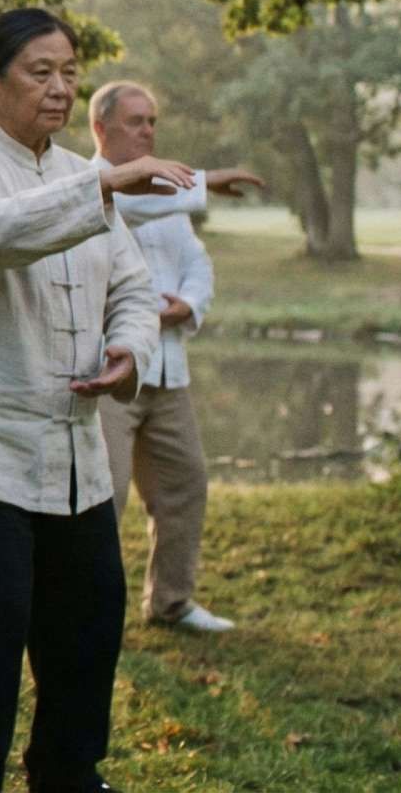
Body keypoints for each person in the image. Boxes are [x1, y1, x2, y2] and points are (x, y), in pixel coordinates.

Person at [0, 8, 180, 793]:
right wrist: (104, 182)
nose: (61, 88)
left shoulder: (76, 176)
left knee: (89, 629)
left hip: (73, 451)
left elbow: (130, 286)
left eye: (70, 71)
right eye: (41, 71)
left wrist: (130, 348)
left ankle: (68, 778)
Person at [89, 80, 264, 634]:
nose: (148, 131)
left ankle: (171, 603)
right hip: (112, 373)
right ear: (101, 128)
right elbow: (133, 204)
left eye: (153, 121)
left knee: (186, 483)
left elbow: (197, 263)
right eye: (136, 121)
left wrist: (184, 305)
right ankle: (85, 612)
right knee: (104, 497)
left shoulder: (166, 191)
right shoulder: (90, 186)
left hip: (168, 370)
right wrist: (208, 179)